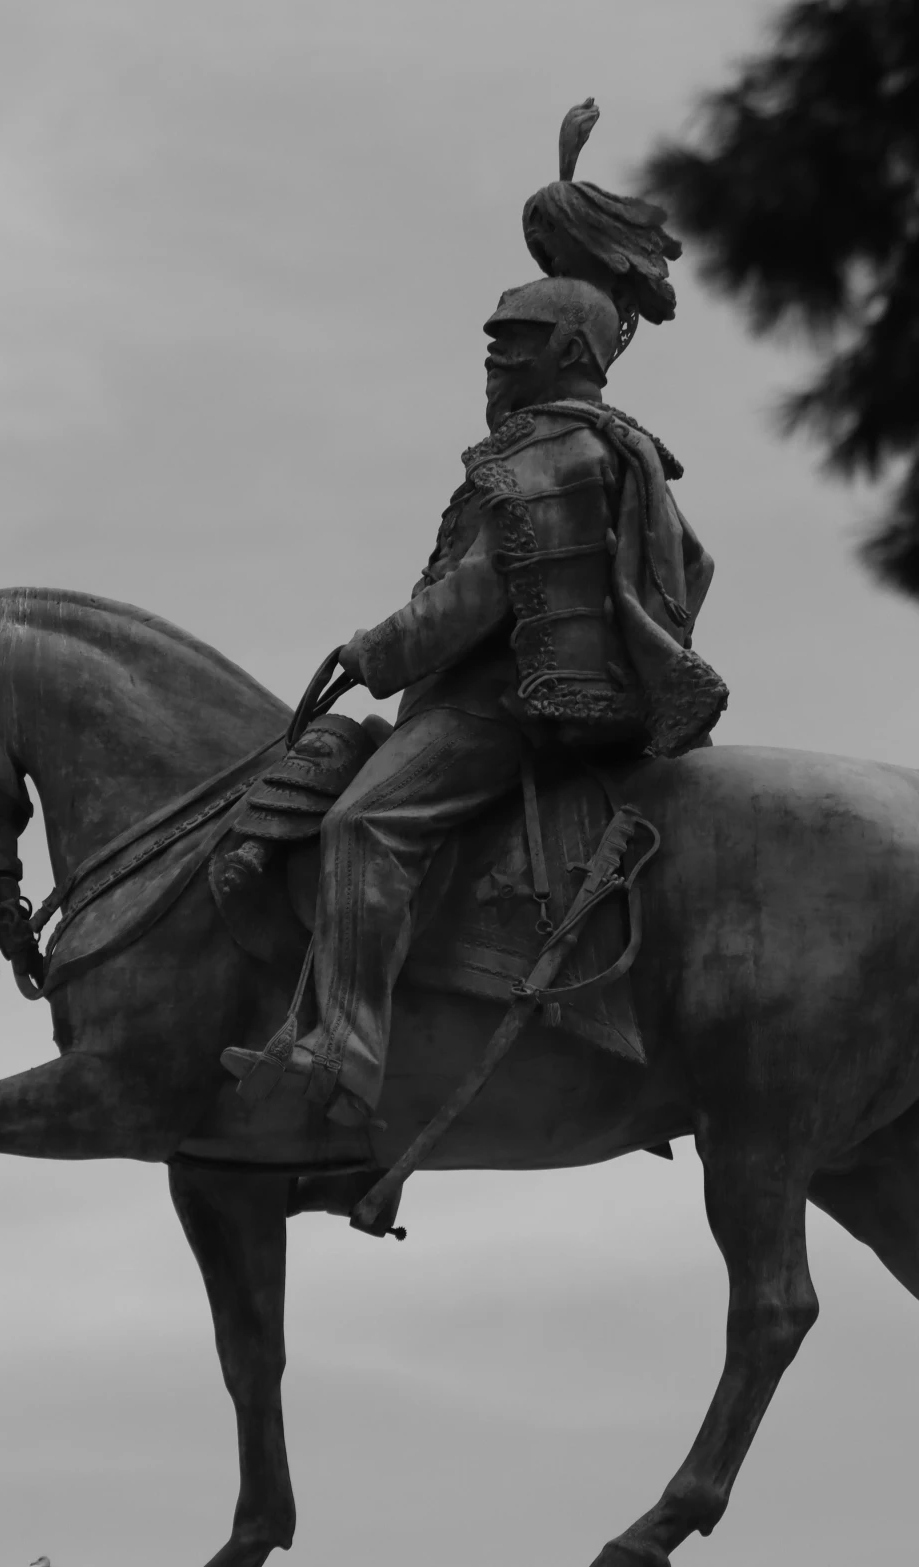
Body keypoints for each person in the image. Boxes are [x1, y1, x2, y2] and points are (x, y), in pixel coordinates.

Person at [221, 268, 724, 1125]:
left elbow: (476, 594)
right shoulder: (609, 448)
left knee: (361, 821)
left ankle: (343, 1054)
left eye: (515, 341)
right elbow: (696, 568)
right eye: (493, 340)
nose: (492, 358)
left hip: (497, 708)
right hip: (512, 699)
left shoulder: (553, 455)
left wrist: (372, 648)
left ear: (571, 350)